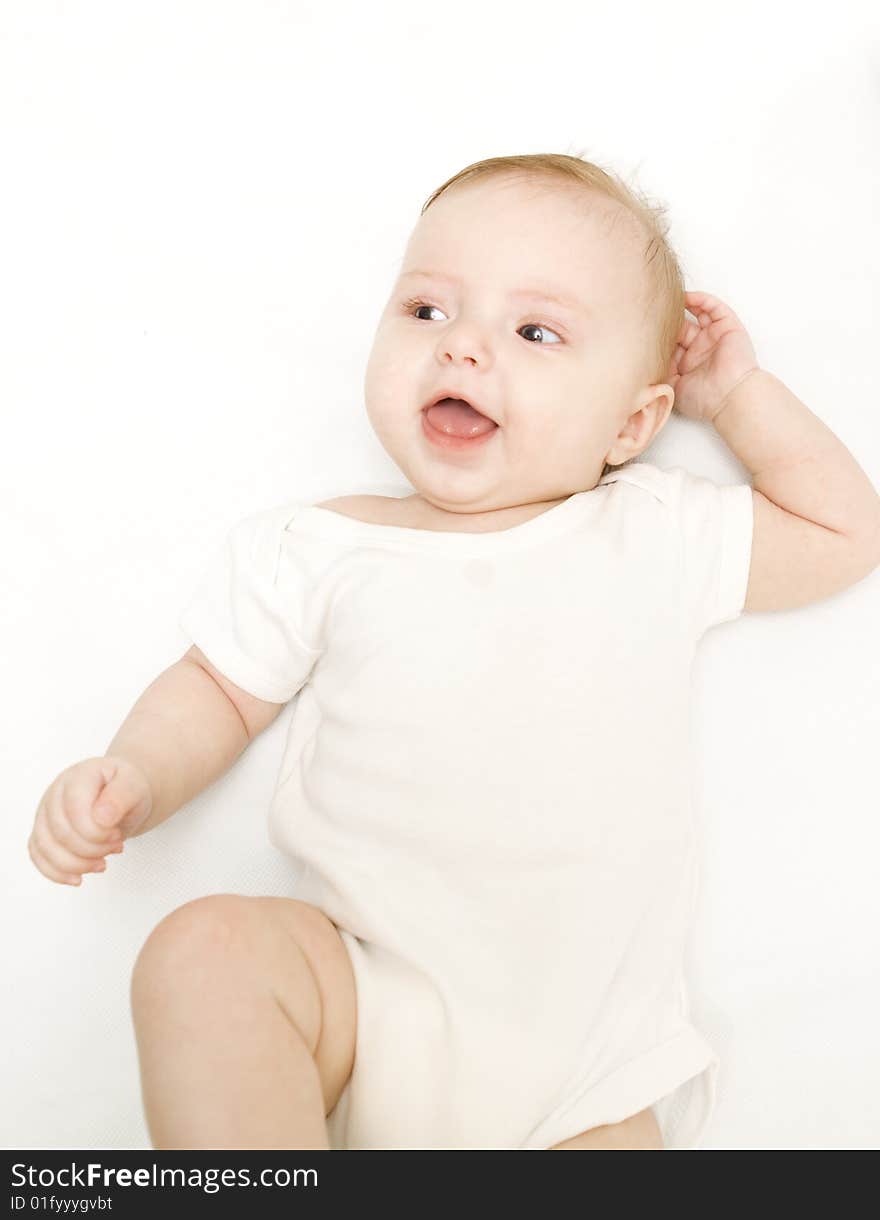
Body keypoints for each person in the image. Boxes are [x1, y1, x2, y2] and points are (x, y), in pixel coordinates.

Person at [27, 153, 880, 1150]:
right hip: (365, 998)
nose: (462, 349)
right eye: (427, 311)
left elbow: (840, 531)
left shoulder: (652, 532)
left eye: (534, 331)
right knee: (200, 951)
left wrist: (734, 395)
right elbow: (217, 687)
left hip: (585, 1077)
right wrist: (135, 773)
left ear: (634, 421)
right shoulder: (323, 545)